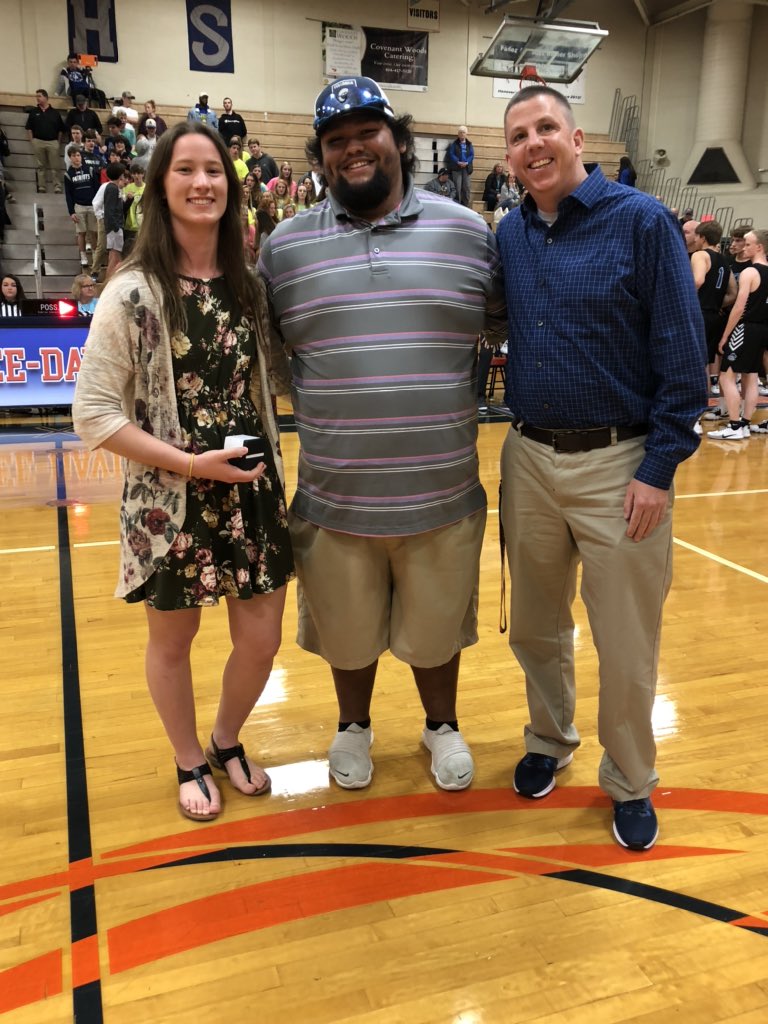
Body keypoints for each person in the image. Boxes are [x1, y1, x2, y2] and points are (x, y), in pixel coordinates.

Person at [259, 76, 506, 793]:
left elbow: (500, 323)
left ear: (398, 140)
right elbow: (272, 353)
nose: (353, 149)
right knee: (347, 632)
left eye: (367, 133)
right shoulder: (285, 248)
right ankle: (353, 728)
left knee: (437, 633)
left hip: (442, 493)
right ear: (321, 158)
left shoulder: (468, 234)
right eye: (336, 142)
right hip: (337, 495)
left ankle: (440, 727)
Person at [496, 85, 706, 851]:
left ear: (578, 135)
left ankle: (629, 781)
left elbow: (685, 361)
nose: (533, 144)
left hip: (622, 463)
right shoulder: (510, 234)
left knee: (625, 641)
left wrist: (658, 467)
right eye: (518, 136)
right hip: (528, 457)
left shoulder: (644, 223)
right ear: (510, 155)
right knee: (538, 626)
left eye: (545, 127)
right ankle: (550, 740)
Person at [72, 121, 294, 822]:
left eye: (215, 172)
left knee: (261, 639)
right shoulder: (132, 292)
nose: (203, 183)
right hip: (171, 502)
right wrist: (192, 463)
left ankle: (226, 739)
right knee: (174, 639)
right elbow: (95, 415)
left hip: (251, 493)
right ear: (158, 187)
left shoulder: (251, 288)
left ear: (232, 188)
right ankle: (187, 756)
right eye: (186, 171)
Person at [709, 229, 768, 439]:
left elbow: (738, 307)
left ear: (759, 247)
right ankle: (744, 423)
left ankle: (734, 426)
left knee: (727, 376)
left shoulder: (750, 272)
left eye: (749, 244)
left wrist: (725, 335)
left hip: (746, 327)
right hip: (762, 328)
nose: (744, 247)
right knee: (750, 377)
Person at [689, 220, 736, 404]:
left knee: (694, 361)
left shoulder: (700, 255)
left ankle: (697, 406)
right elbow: (733, 293)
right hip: (715, 314)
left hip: (699, 312)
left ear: (702, 237)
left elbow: (698, 280)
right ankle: (705, 403)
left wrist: (685, 301)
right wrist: (716, 303)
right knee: (705, 363)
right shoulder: (724, 260)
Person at [63, 145, 100, 268]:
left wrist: (98, 205)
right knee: (81, 233)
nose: (76, 158)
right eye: (73, 156)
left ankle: (95, 254)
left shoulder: (89, 170)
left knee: (94, 232)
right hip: (79, 206)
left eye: (78, 155)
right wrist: (71, 211)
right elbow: (68, 194)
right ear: (70, 157)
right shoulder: (68, 175)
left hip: (92, 205)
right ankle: (83, 255)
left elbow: (97, 188)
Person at [25, 89, 65, 194]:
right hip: (38, 141)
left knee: (55, 166)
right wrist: (32, 141)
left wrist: (58, 142)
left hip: (52, 142)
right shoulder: (34, 112)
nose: (37, 98)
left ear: (46, 97)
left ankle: (57, 186)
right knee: (40, 166)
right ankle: (41, 186)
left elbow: (61, 129)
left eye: (39, 96)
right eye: (36, 96)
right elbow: (29, 128)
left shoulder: (55, 113)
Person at [445, 125, 474, 207]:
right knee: (457, 187)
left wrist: (467, 162)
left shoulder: (469, 144)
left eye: (463, 132)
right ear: (458, 134)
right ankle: (457, 205)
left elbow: (472, 155)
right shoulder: (454, 144)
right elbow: (451, 154)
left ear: (466, 134)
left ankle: (466, 205)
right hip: (457, 168)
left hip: (466, 168)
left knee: (466, 187)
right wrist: (458, 162)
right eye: (460, 132)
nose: (462, 134)